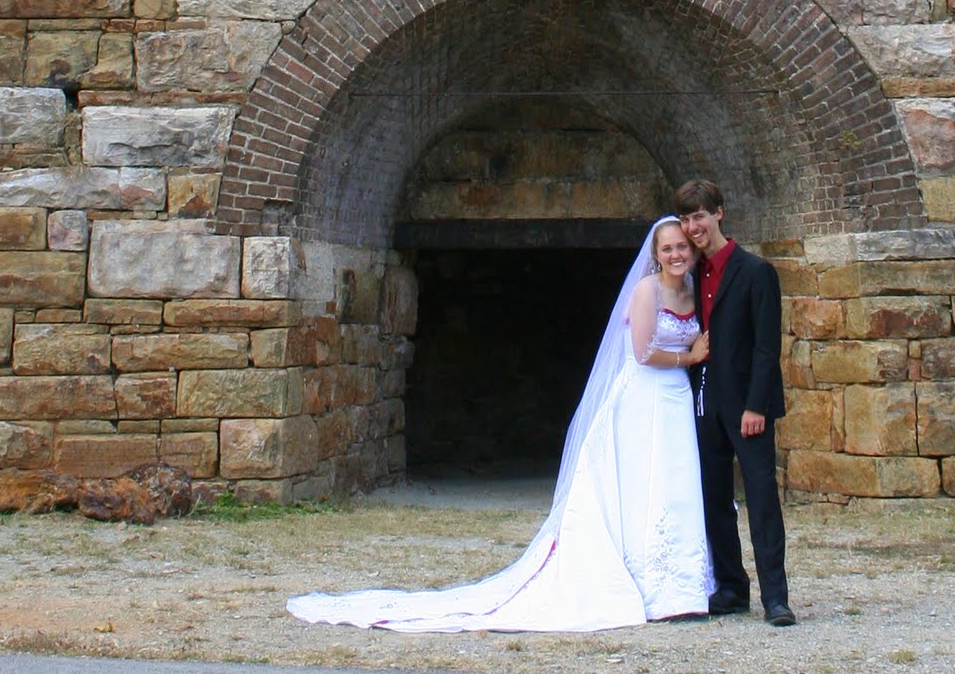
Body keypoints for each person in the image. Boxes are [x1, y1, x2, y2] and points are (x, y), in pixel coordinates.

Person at [287, 215, 714, 632]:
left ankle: (681, 587)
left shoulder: (693, 288)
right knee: (643, 482)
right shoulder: (645, 291)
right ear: (656, 255)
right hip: (644, 396)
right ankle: (643, 582)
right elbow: (641, 353)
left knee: (673, 484)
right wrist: (689, 357)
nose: (676, 254)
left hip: (675, 399)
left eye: (682, 247)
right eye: (668, 248)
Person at [674, 178, 794, 627]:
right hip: (706, 404)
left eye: (699, 216)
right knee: (713, 499)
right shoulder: (690, 273)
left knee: (762, 499)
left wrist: (757, 406)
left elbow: (766, 346)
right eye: (686, 220)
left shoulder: (756, 271)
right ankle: (731, 588)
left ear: (719, 213)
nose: (693, 227)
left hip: (748, 407)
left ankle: (776, 599)